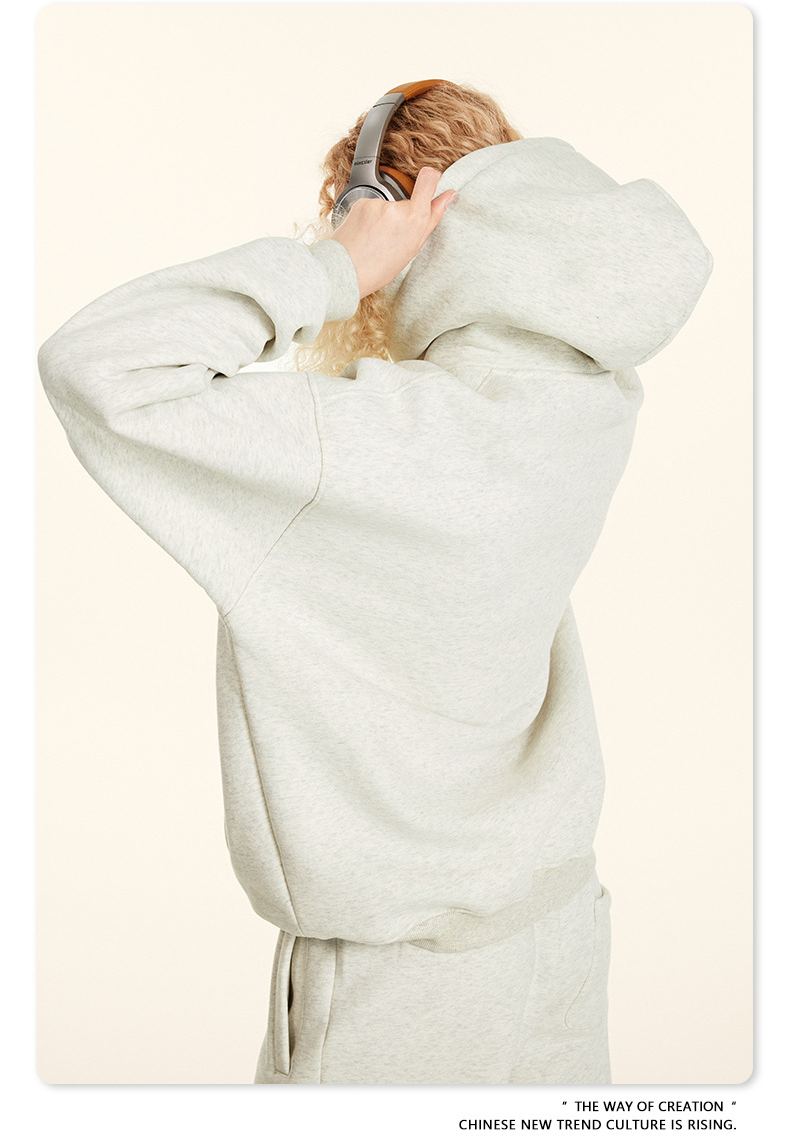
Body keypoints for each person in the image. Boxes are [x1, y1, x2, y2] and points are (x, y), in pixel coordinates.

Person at [37, 79, 712, 1086]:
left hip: (401, 992)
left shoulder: (356, 446)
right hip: (559, 938)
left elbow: (96, 366)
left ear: (397, 217)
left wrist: (334, 268)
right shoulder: (589, 399)